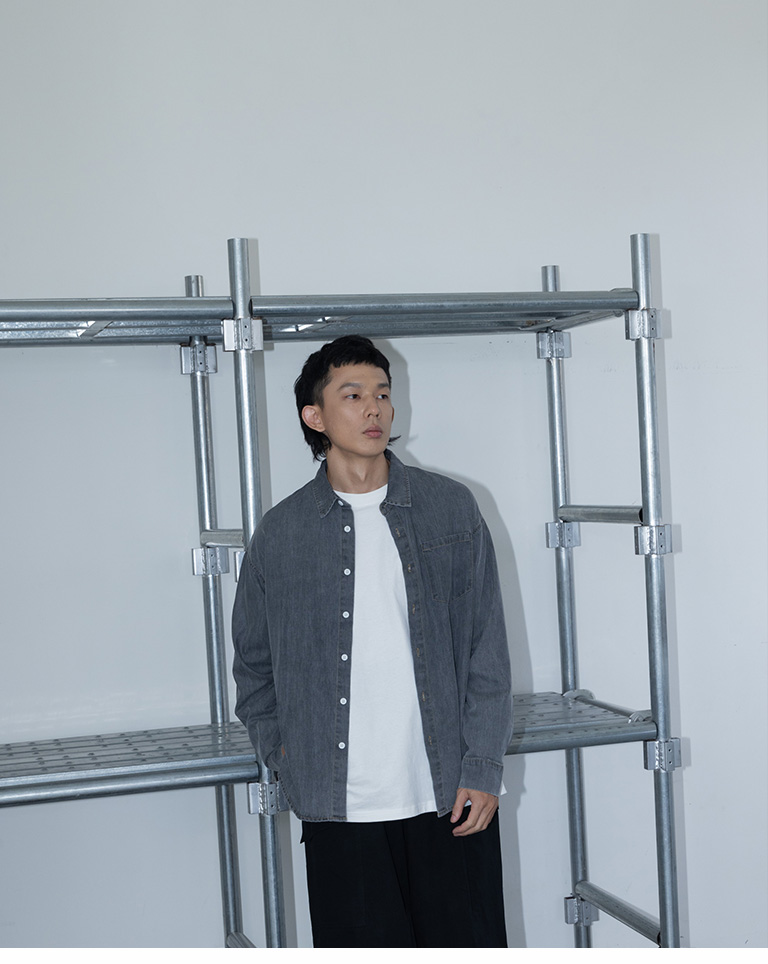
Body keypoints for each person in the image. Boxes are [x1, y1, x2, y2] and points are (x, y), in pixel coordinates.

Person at [232, 334, 513, 948]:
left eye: (383, 394)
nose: (374, 409)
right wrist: (286, 757)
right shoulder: (281, 535)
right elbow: (254, 667)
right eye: (353, 395)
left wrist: (484, 767)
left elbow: (486, 650)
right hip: (340, 808)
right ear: (315, 417)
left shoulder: (450, 509)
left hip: (449, 797)